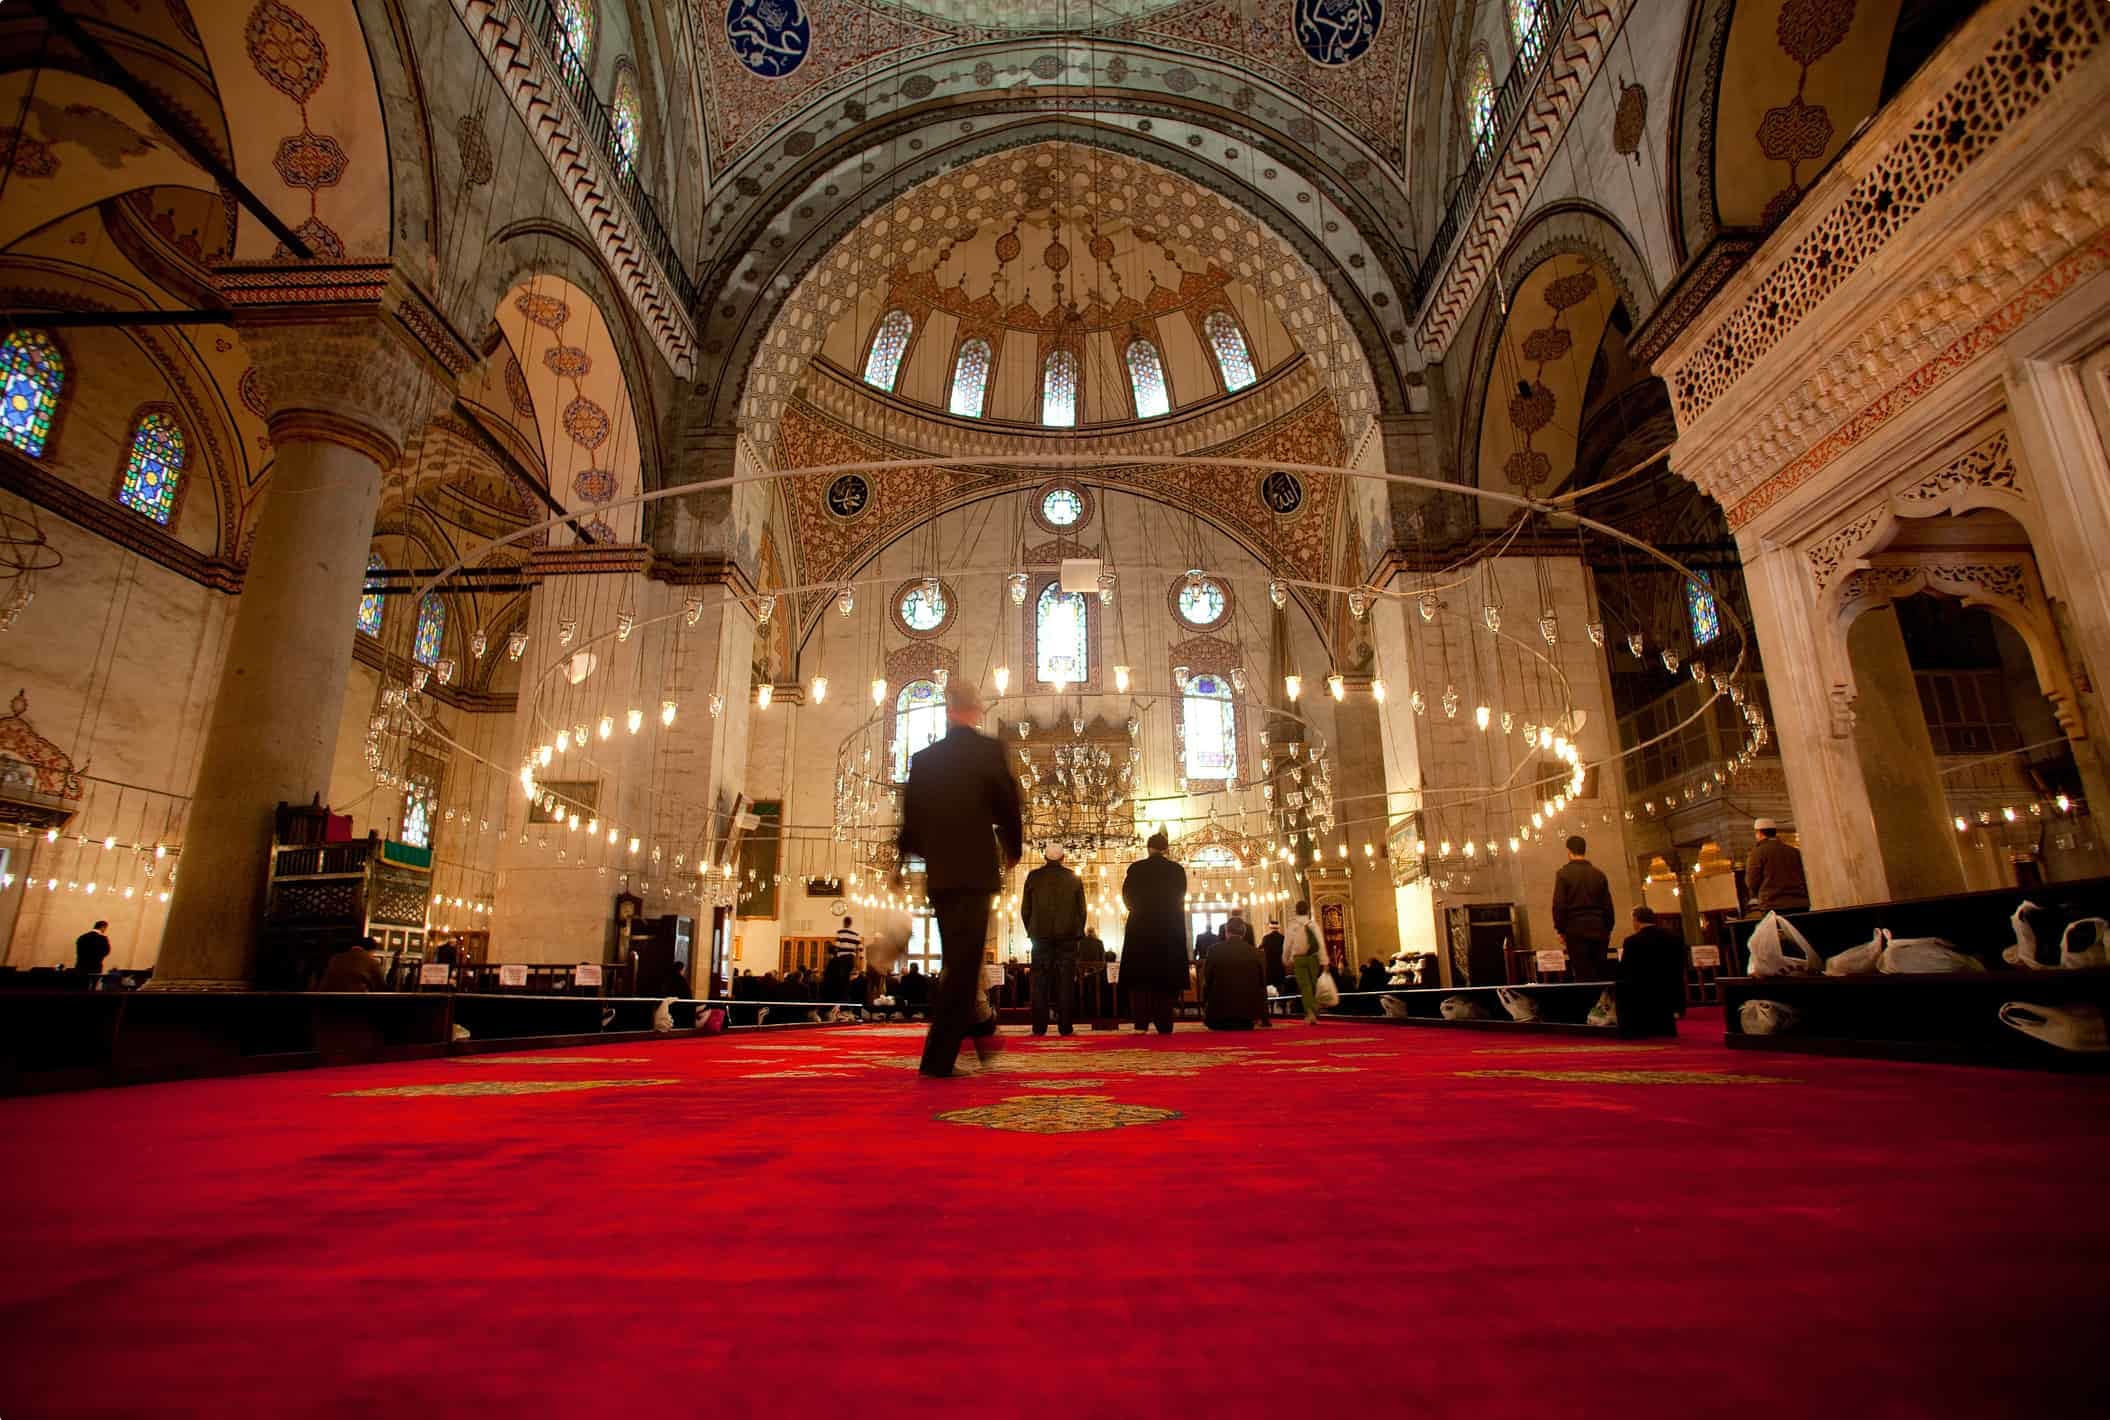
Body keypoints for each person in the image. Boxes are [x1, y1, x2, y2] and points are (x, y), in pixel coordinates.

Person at [897, 678, 1023, 1078]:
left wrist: (907, 859)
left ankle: (980, 1031)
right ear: (976, 710)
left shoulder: (925, 759)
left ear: (948, 710)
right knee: (965, 964)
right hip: (975, 870)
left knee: (959, 959)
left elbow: (912, 823)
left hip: (942, 873)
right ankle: (942, 1056)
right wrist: (1012, 848)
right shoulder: (988, 752)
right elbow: (1007, 805)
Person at [1120, 832, 1188, 1034]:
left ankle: (1141, 1023)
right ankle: (1165, 1024)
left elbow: (1127, 899)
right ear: (1166, 849)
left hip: (1140, 931)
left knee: (1140, 980)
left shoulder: (1136, 869)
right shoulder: (1176, 870)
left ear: (1148, 848)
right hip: (1169, 930)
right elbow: (1180, 897)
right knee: (1165, 981)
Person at [1021, 844, 1086, 1036]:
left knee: (1040, 981)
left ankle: (1039, 1028)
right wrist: (1077, 932)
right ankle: (1065, 1027)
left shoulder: (1034, 877)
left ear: (1044, 857)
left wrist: (1032, 930)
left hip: (1040, 937)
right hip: (1067, 937)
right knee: (1066, 982)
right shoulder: (1073, 877)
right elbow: (1082, 910)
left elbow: (1026, 910)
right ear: (1063, 857)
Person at [1616, 906, 1689, 1037]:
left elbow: (1625, 969)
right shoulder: (1674, 938)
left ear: (1636, 920)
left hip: (1642, 993)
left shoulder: (1632, 942)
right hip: (1668, 991)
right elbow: (1680, 964)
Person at [1552, 836, 1616, 980]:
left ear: (1569, 851)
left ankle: (1587, 1002)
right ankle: (1602, 1002)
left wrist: (1561, 930)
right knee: (1600, 972)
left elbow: (1559, 905)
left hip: (1575, 930)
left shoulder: (1563, 874)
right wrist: (1608, 928)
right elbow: (1608, 905)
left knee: (1583, 974)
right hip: (1599, 929)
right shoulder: (1599, 874)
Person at [1201, 918, 1267, 1029]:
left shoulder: (1214, 950)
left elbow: (1207, 981)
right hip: (1247, 1018)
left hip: (1218, 1017)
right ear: (1244, 933)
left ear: (1226, 931)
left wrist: (1206, 1004)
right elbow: (1262, 984)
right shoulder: (1255, 952)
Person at [1745, 818, 1810, 915]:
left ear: (1759, 833)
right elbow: (1805, 876)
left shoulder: (1757, 852)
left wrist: (1755, 895)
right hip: (1800, 904)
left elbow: (1752, 881)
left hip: (1774, 905)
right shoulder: (1794, 851)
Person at [1283, 900, 1325, 1024]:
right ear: (1307, 910)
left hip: (1299, 959)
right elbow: (1320, 943)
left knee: (1305, 986)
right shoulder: (1313, 925)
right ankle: (1312, 1008)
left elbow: (1287, 944)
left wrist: (1285, 959)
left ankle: (1310, 1011)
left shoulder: (1292, 926)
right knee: (1312, 984)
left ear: (1296, 911)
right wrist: (1324, 960)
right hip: (1313, 958)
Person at [318, 935, 387, 992]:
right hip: (353, 1000)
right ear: (372, 950)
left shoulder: (336, 958)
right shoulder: (371, 961)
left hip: (327, 998)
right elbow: (380, 985)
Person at [1259, 918, 1286, 995]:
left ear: (1270, 927)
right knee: (1280, 986)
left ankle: (1271, 1005)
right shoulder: (1282, 938)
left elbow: (1259, 948)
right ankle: (1281, 1003)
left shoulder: (1266, 938)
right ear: (1278, 927)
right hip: (1280, 966)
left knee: (1270, 988)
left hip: (1270, 966)